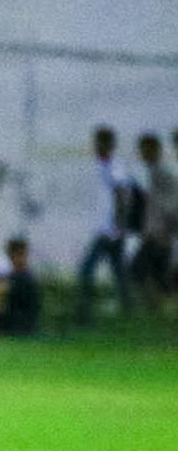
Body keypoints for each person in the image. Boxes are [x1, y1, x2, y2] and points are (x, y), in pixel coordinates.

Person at [75, 126, 137, 324]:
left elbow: (123, 196)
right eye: (97, 142)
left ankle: (85, 313)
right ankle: (129, 311)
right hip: (104, 228)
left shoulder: (115, 167)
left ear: (110, 145)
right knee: (119, 273)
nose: (98, 146)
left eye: (102, 142)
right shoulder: (99, 166)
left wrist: (118, 226)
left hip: (110, 230)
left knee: (86, 270)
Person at [129, 133, 177, 314]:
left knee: (137, 270)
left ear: (153, 151)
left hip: (159, 236)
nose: (141, 154)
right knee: (159, 276)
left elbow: (171, 204)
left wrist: (164, 231)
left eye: (144, 150)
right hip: (155, 234)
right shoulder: (154, 172)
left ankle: (154, 308)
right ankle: (158, 308)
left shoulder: (161, 173)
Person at [0, 237, 42, 337]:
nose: (18, 259)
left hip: (22, 325)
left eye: (21, 254)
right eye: (15, 255)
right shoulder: (11, 276)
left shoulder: (26, 279)